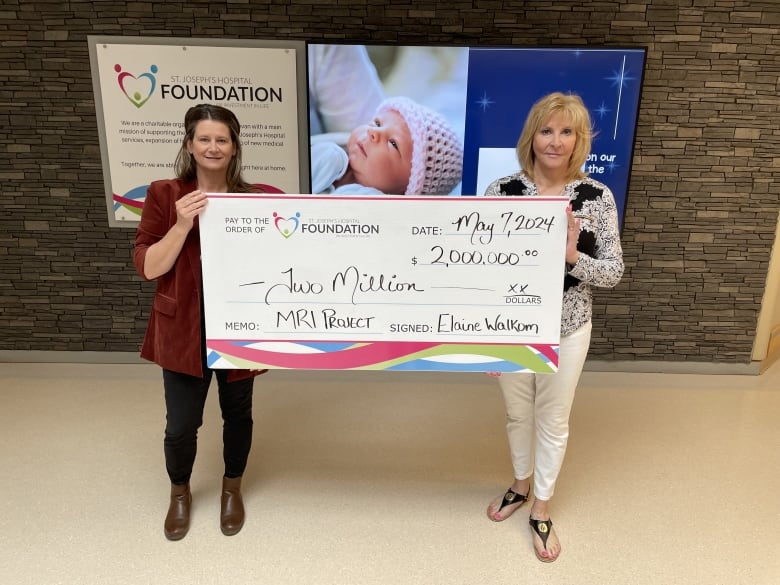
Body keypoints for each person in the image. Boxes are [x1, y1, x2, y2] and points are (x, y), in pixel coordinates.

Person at [482, 92, 624, 562]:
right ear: (532, 136)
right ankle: (521, 485)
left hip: (568, 326)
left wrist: (571, 255)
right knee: (518, 414)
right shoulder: (501, 192)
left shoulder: (596, 198)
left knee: (553, 418)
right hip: (511, 329)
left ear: (579, 140)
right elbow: (479, 268)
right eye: (547, 130)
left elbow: (612, 273)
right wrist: (484, 337)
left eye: (567, 132)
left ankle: (541, 505)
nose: (555, 141)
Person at [133, 104, 265, 541]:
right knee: (181, 424)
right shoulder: (163, 193)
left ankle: (232, 488)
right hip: (182, 328)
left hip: (239, 329)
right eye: (204, 138)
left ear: (234, 148)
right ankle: (180, 493)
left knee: (239, 416)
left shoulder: (256, 199)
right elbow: (149, 267)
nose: (213, 146)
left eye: (222, 139)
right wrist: (182, 223)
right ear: (189, 144)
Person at [310, 96, 463, 195]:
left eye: (393, 143)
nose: (373, 132)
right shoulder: (333, 152)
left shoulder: (368, 204)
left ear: (407, 189)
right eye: (377, 123)